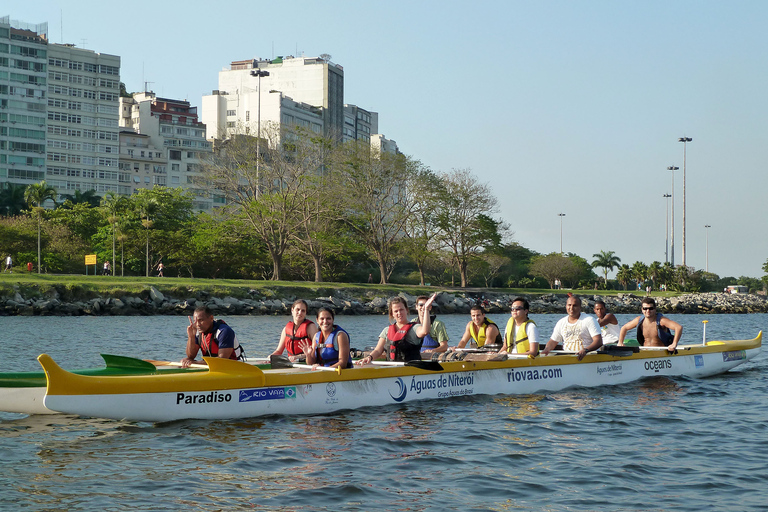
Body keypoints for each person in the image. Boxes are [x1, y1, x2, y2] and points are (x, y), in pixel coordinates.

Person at [358, 294, 436, 364]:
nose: (399, 313)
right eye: (396, 311)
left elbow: (425, 331)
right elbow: (378, 350)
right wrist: (369, 357)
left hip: (410, 370)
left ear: (406, 310)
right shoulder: (386, 330)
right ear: (392, 314)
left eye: (401, 310)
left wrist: (426, 309)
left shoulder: (415, 328)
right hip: (391, 370)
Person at [541, 295, 602, 360]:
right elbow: (553, 341)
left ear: (580, 307)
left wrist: (585, 350)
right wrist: (547, 349)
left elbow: (598, 341)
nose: (571, 308)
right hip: (567, 357)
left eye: (575, 305)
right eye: (569, 305)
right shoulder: (561, 322)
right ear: (566, 306)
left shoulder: (589, 320)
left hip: (587, 357)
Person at [618, 297, 682, 352]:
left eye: (650, 308)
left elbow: (678, 327)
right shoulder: (639, 320)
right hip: (645, 352)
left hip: (660, 352)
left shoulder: (662, 320)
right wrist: (620, 342)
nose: (648, 311)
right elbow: (624, 328)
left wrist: (674, 343)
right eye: (645, 308)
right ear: (642, 309)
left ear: (655, 309)